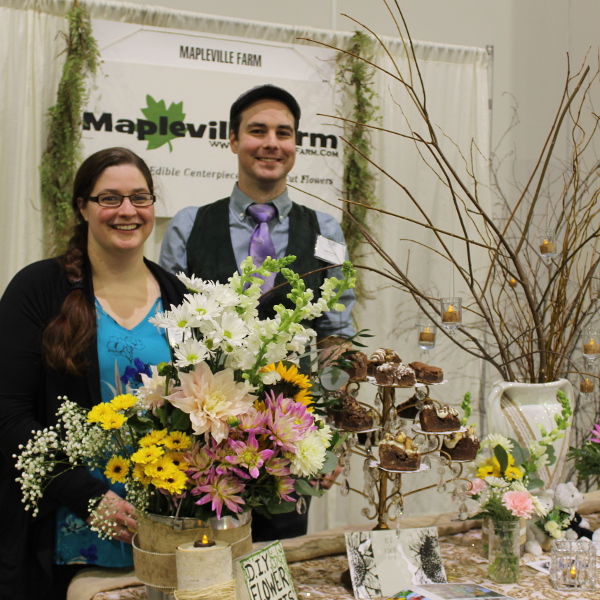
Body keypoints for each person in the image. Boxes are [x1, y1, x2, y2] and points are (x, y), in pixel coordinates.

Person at [159, 85, 355, 540]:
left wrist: (331, 435)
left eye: (283, 133)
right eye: (257, 131)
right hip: (204, 442)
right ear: (232, 140)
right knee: (201, 562)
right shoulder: (188, 226)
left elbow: (336, 335)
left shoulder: (326, 231)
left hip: (289, 441)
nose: (271, 143)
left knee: (278, 562)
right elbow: (171, 333)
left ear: (296, 144)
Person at [0, 147, 186, 599]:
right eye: (110, 198)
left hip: (159, 530)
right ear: (82, 208)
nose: (127, 211)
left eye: (140, 198)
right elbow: (8, 413)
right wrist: (87, 496)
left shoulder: (178, 296)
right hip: (62, 529)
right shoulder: (38, 289)